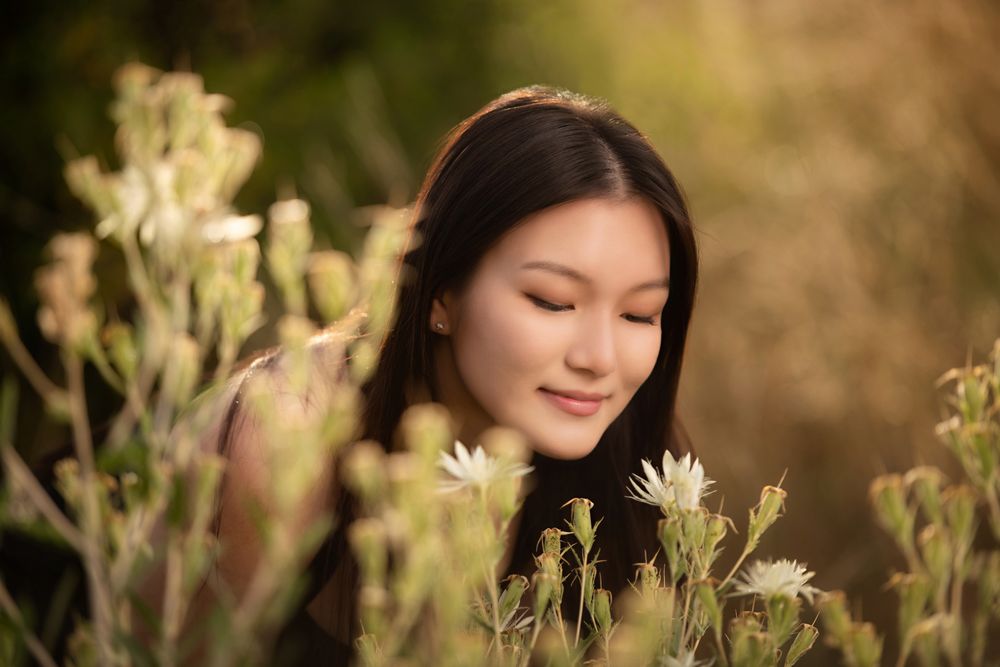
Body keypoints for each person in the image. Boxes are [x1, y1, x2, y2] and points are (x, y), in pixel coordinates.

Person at [209, 85, 698, 664]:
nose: (600, 359)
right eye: (552, 300)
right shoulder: (288, 437)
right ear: (441, 291)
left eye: (640, 314)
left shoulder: (641, 478)